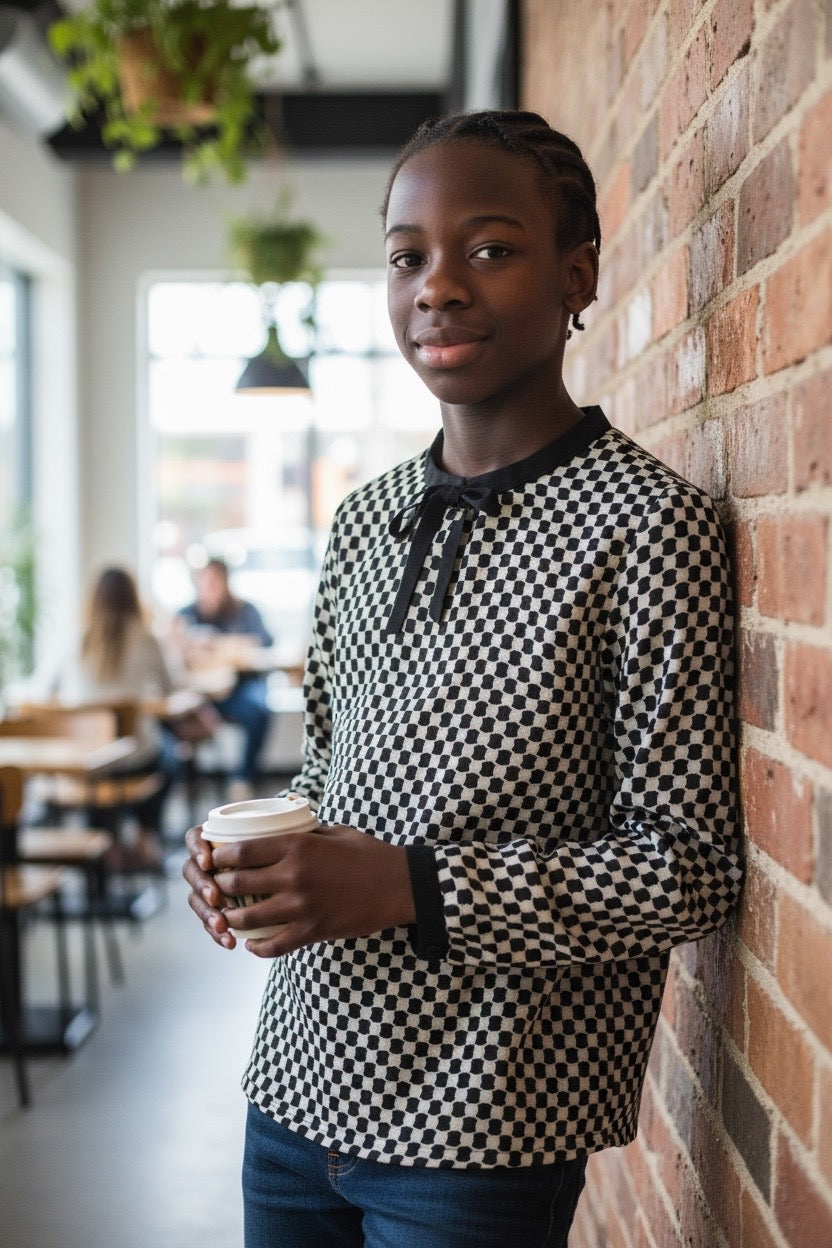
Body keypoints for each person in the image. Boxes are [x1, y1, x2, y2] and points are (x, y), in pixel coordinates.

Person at [183, 110, 743, 1248]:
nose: (437, 286)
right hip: (293, 1087)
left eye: (488, 249)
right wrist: (252, 860)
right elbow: (329, 768)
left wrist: (411, 888)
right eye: (407, 256)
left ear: (575, 273)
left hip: (480, 1128)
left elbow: (689, 872)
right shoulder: (363, 519)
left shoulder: (648, 528)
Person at [53, 565, 183, 862]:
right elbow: (171, 688)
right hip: (137, 762)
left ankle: (105, 844)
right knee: (169, 753)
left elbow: (43, 689)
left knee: (97, 774)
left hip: (89, 766)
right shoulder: (147, 639)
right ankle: (146, 834)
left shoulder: (76, 642)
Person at [176, 557, 273, 797]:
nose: (210, 587)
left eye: (216, 581)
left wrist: (222, 646)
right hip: (199, 694)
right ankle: (188, 782)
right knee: (175, 718)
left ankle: (243, 777)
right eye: (205, 581)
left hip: (239, 688)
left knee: (259, 709)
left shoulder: (245, 611)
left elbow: (266, 643)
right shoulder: (185, 615)